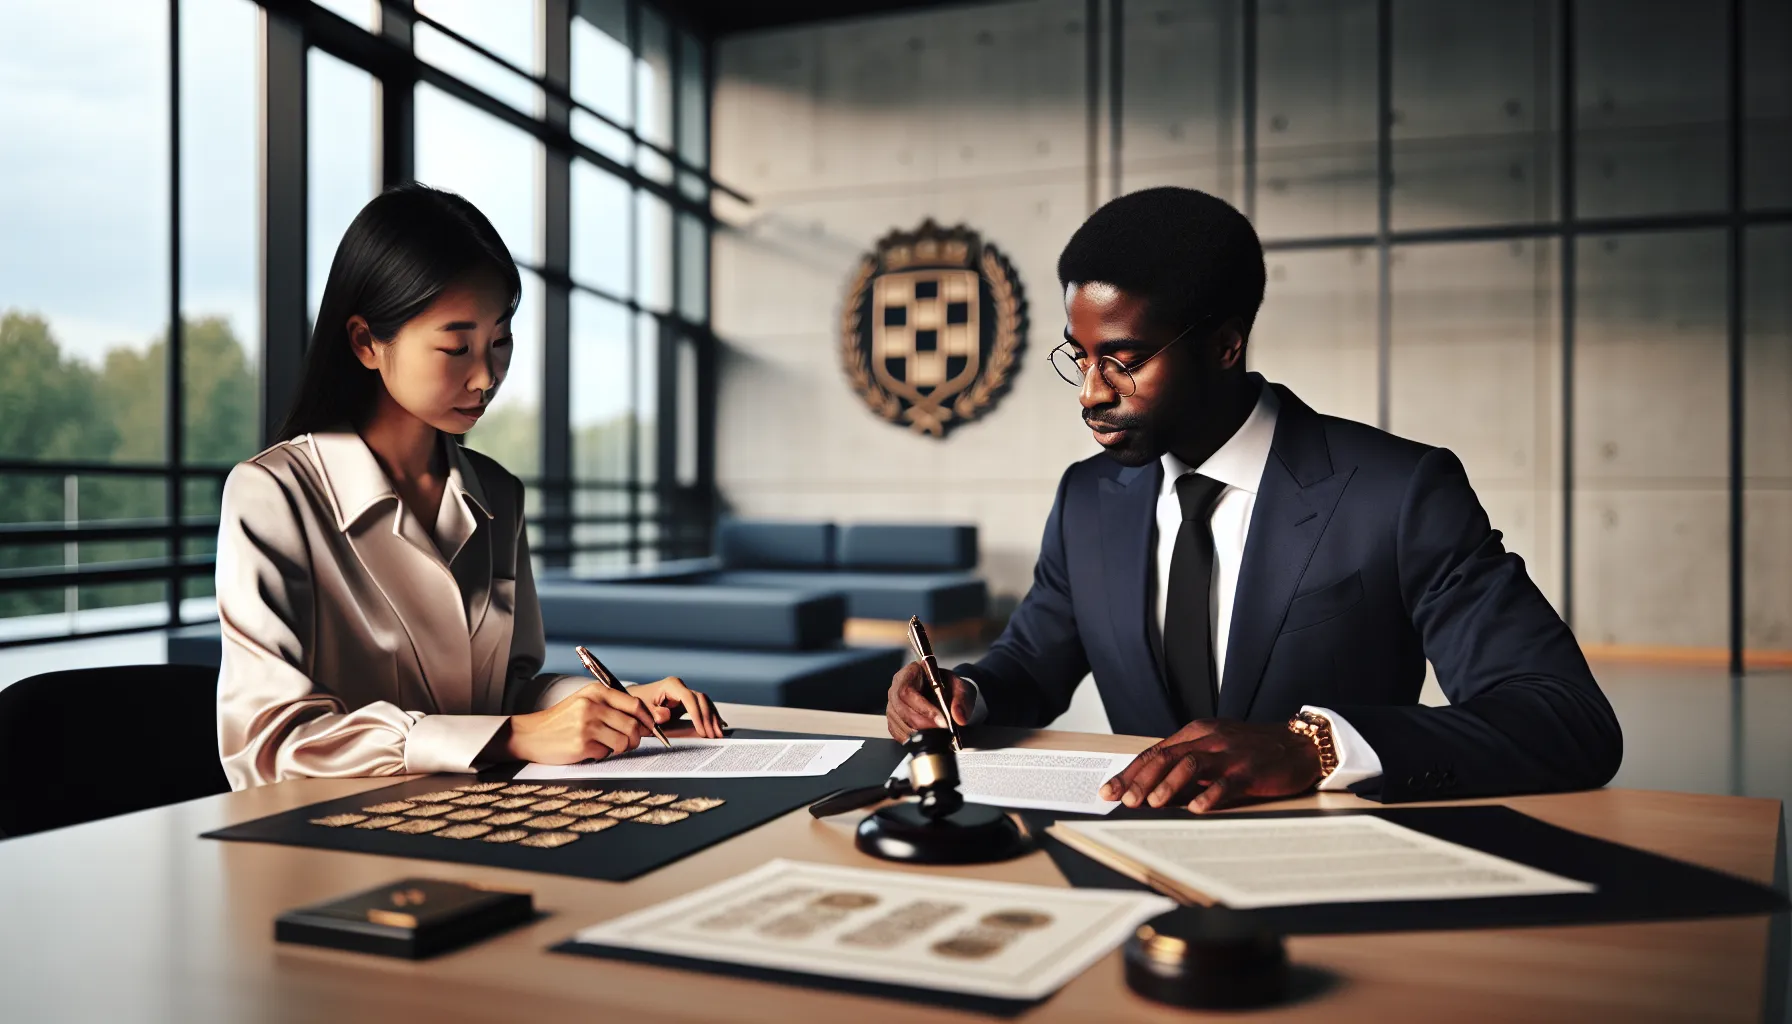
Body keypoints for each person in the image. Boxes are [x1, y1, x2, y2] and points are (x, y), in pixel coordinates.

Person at [885, 186, 1622, 811]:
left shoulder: (1398, 491)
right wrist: (966, 692)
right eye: (1080, 358)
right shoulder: (1088, 498)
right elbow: (1031, 666)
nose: (1090, 394)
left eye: (1125, 360)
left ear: (1226, 345)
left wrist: (1315, 746)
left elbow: (1565, 721)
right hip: (1131, 879)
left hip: (1332, 885)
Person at [216, 183, 722, 789]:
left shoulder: (499, 496)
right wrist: (512, 734)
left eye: (500, 341)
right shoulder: (273, 495)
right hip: (341, 839)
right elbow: (271, 744)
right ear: (365, 342)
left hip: (485, 811)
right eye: (456, 346)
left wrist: (608, 704)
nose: (486, 376)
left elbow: (505, 688)